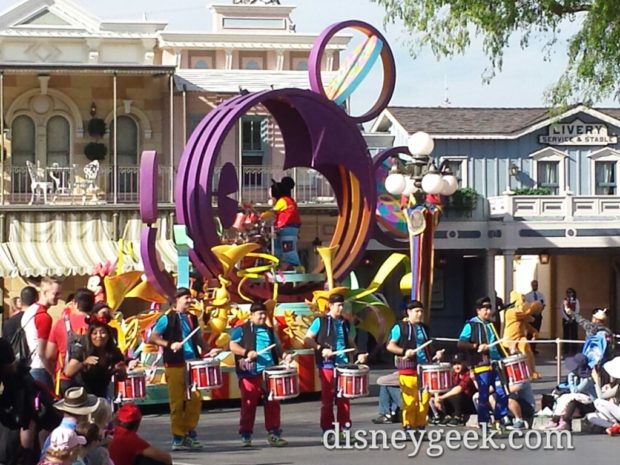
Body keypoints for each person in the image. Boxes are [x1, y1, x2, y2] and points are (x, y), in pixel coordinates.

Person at [149, 287, 218, 450]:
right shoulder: (167, 318)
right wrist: (169, 344)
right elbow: (153, 337)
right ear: (176, 300)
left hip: (193, 363)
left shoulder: (193, 318)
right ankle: (178, 436)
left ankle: (190, 432)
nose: (189, 301)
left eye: (190, 298)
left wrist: (208, 349)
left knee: (195, 400)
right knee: (177, 402)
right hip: (175, 363)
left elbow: (198, 339)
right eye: (186, 298)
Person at [229, 301, 293, 447]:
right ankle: (246, 435)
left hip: (270, 373)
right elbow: (232, 345)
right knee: (248, 404)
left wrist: (285, 356)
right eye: (260, 314)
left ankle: (274, 433)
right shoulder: (241, 329)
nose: (263, 316)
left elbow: (278, 348)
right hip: (250, 372)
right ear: (251, 316)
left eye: (264, 313)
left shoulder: (270, 331)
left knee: (273, 403)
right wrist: (247, 352)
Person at [304, 293, 368, 434]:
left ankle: (344, 430)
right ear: (330, 305)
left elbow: (350, 342)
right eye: (338, 305)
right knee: (328, 399)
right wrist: (321, 349)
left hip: (343, 365)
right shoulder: (320, 321)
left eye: (342, 305)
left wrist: (359, 354)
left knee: (344, 399)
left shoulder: (344, 322)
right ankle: (327, 430)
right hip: (327, 364)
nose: (341, 308)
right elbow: (307, 339)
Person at [386, 299, 444, 433]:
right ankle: (408, 426)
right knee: (410, 400)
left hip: (425, 368)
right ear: (409, 312)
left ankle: (420, 425)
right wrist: (404, 351)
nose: (419, 314)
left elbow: (428, 347)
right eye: (417, 311)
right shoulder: (399, 327)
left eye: (421, 311)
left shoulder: (424, 328)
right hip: (408, 368)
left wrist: (437, 355)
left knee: (424, 400)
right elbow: (390, 345)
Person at [458, 296, 512, 429]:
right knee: (483, 395)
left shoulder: (491, 325)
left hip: (495, 364)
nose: (488, 311)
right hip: (481, 365)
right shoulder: (471, 325)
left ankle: (500, 418)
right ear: (478, 311)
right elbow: (461, 343)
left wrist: (507, 355)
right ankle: (484, 422)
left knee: (502, 391)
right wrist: (476, 346)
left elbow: (497, 345)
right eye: (485, 309)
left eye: (489, 308)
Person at [46, 289, 94, 396]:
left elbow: (49, 355)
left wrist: (54, 374)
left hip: (65, 379)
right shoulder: (97, 326)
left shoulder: (60, 323)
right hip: (91, 379)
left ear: (75, 304)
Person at [63, 320, 126, 398]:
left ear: (108, 336)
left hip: (101, 395)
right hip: (81, 395)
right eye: (95, 333)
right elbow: (68, 372)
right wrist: (84, 363)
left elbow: (122, 378)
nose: (99, 336)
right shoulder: (82, 350)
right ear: (90, 336)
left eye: (103, 332)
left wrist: (120, 370)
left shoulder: (114, 352)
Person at [22, 277, 62, 389]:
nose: (59, 297)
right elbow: (41, 352)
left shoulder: (30, 310)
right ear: (45, 292)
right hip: (40, 369)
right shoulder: (44, 317)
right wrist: (52, 373)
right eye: (56, 293)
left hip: (29, 366)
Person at [546, 353, 596, 431]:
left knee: (572, 399)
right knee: (567, 398)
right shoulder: (576, 376)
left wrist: (571, 379)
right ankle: (557, 420)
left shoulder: (587, 379)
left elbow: (575, 391)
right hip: (579, 401)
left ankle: (562, 421)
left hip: (589, 404)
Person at [263, 176, 302, 270]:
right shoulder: (289, 200)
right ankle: (280, 264)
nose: (270, 199)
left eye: (271, 196)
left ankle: (294, 265)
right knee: (278, 245)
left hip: (288, 227)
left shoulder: (283, 201)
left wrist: (260, 217)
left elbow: (272, 212)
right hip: (286, 227)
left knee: (287, 247)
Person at [431, 353, 476, 426]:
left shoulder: (468, 373)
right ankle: (446, 416)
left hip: (468, 403)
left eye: (459, 364)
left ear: (465, 363)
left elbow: (460, 388)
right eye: (454, 364)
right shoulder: (453, 373)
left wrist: (442, 397)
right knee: (441, 393)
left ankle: (457, 417)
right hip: (456, 403)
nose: (456, 366)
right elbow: (442, 384)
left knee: (456, 394)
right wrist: (437, 397)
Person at [524, 280, 545, 354]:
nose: (535, 286)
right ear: (531, 285)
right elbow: (526, 306)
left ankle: (534, 348)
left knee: (536, 332)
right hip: (531, 316)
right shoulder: (527, 296)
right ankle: (528, 348)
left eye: (536, 285)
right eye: (534, 285)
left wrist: (539, 311)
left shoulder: (541, 295)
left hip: (538, 316)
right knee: (530, 333)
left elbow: (543, 304)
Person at [561, 287, 580, 356]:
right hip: (566, 320)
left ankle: (574, 349)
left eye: (570, 292)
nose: (569, 294)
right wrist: (567, 318)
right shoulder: (564, 300)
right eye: (568, 292)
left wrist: (572, 318)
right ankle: (566, 349)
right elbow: (562, 311)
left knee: (574, 334)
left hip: (574, 319)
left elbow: (577, 310)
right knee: (566, 334)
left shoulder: (576, 300)